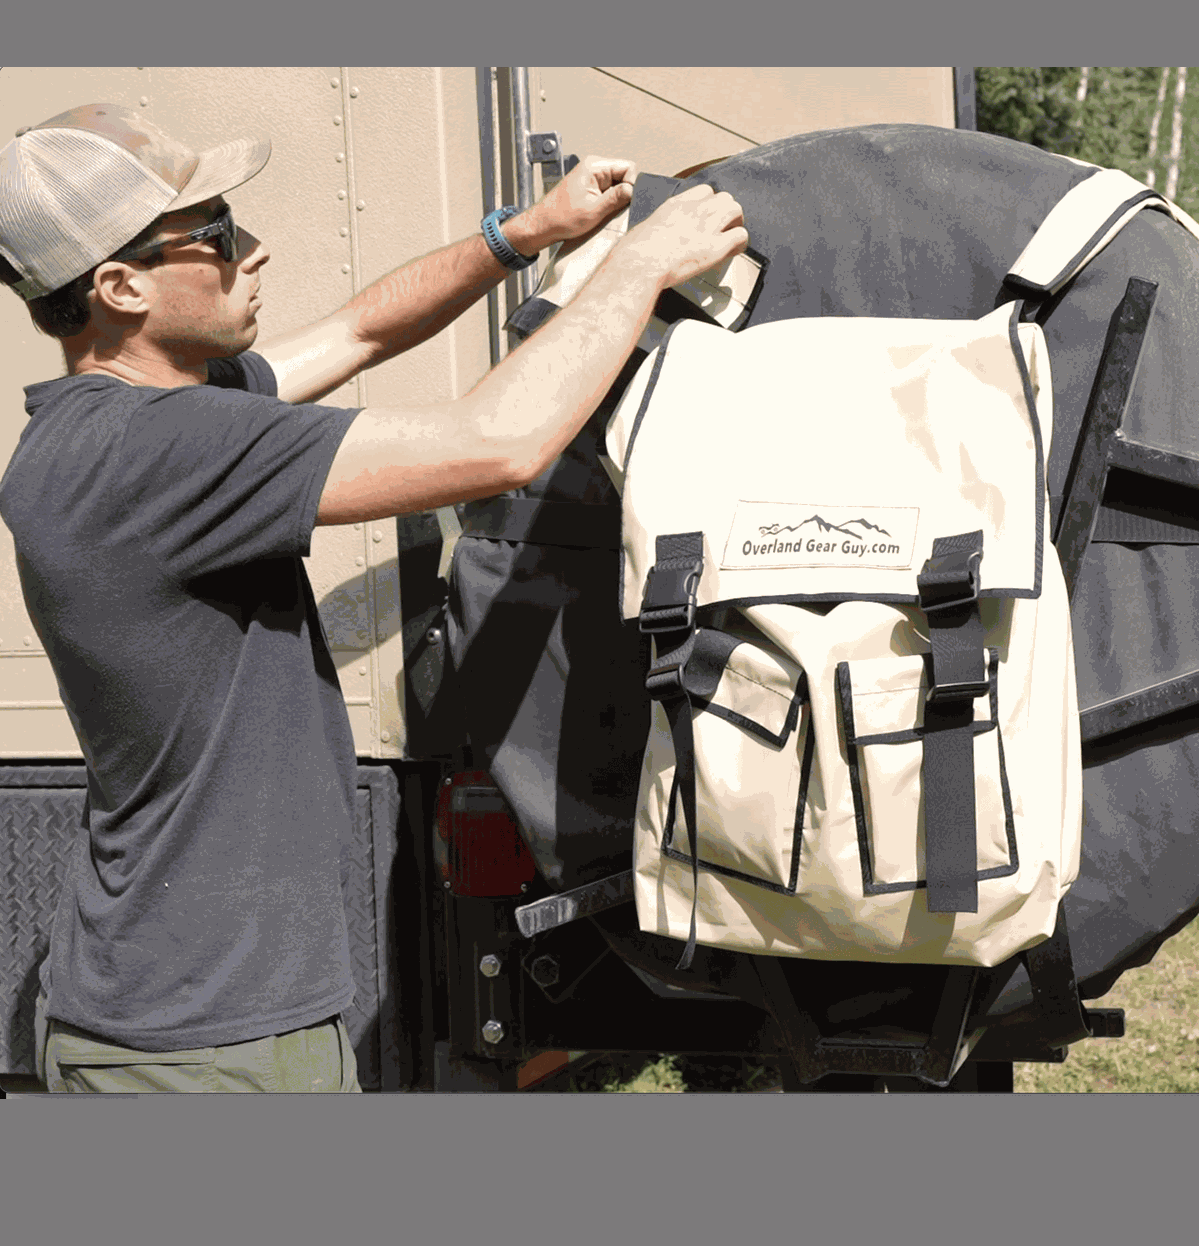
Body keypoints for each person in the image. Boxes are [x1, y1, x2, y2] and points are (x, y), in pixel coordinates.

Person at [0, 101, 747, 1093]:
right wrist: (640, 264)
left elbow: (356, 331)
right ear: (119, 285)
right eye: (215, 233)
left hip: (188, 1012)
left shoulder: (93, 436)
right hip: (200, 1050)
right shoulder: (158, 452)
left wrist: (521, 236)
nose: (251, 251)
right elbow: (497, 440)